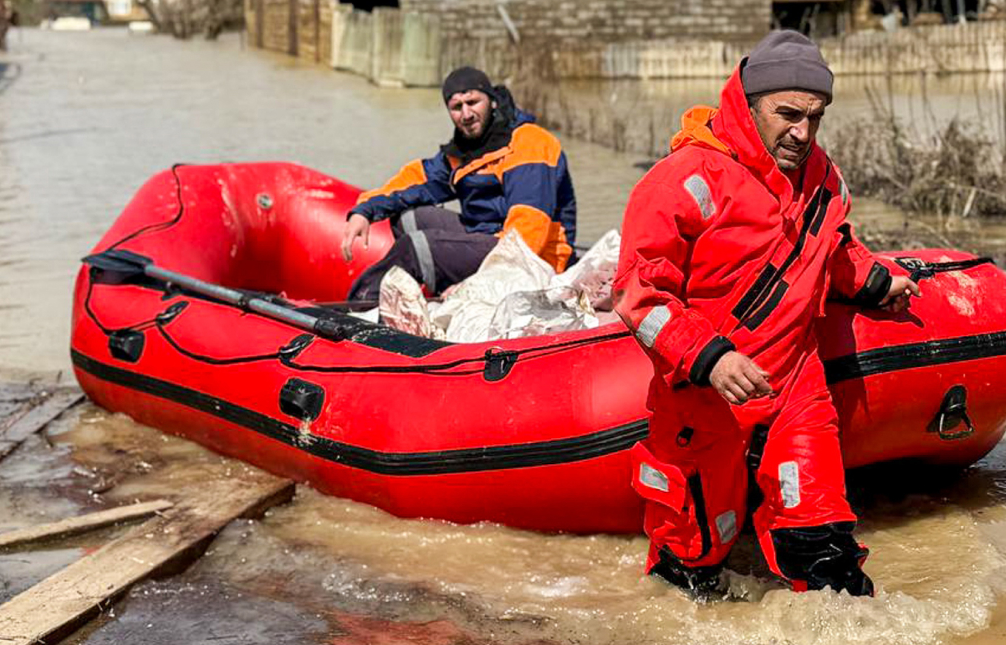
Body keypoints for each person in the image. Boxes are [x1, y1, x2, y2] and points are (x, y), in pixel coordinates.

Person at [612, 30, 917, 598]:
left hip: (796, 385)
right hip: (706, 394)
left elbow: (835, 246)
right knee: (691, 565)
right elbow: (639, 292)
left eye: (816, 118)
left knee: (827, 550)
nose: (802, 133)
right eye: (788, 115)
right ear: (749, 103)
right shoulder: (683, 179)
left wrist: (877, 282)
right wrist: (709, 357)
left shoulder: (821, 175)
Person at [341, 66, 577, 301]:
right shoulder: (464, 151)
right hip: (487, 237)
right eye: (456, 107)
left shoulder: (530, 143)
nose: (466, 114)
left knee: (418, 246)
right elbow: (414, 179)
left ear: (492, 101)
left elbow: (528, 235)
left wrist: (474, 285)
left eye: (473, 102)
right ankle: (425, 298)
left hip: (538, 261)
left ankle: (359, 308)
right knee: (410, 217)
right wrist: (364, 211)